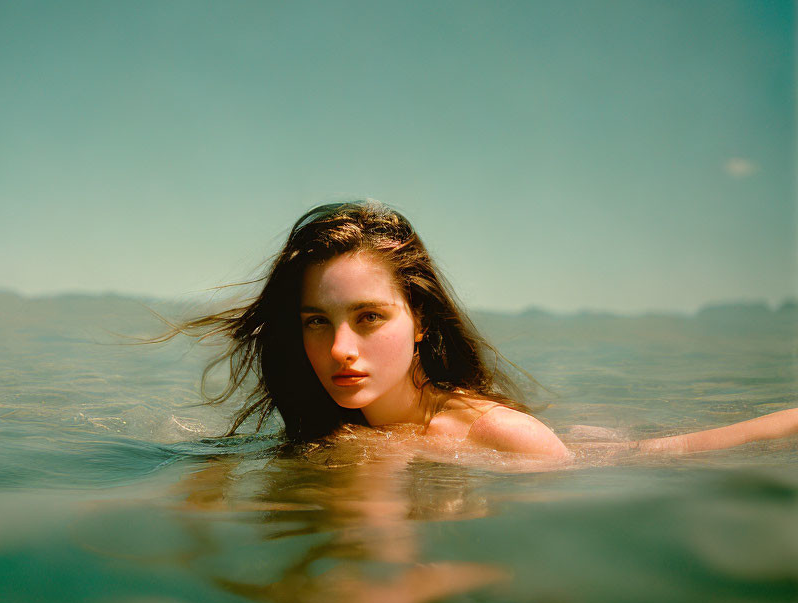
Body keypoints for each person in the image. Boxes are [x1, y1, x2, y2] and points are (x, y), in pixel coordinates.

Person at [155, 200, 797, 458]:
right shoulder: (325, 425)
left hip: (591, 454)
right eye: (316, 322)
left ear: (419, 323)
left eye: (369, 316)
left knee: (664, 452)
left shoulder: (504, 438)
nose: (339, 349)